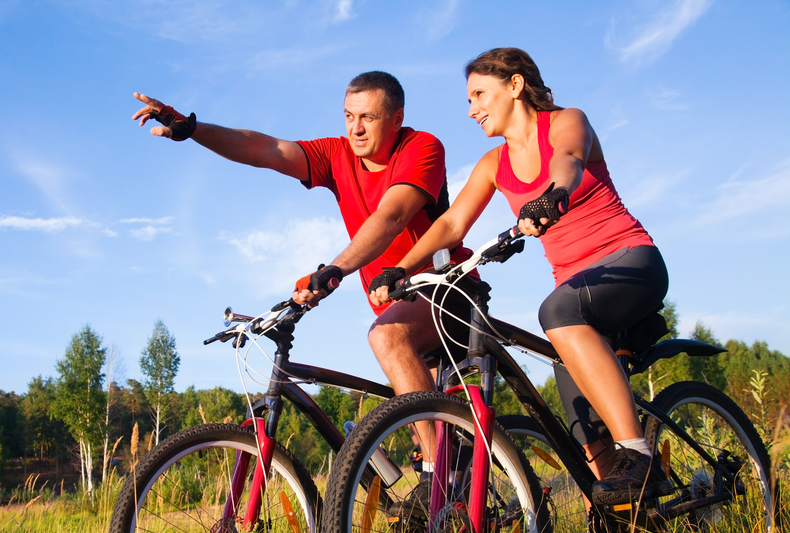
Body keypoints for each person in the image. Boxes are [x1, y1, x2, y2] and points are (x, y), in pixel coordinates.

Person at [368, 48, 671, 506]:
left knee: (555, 310)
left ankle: (640, 457)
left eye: (478, 94)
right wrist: (403, 267)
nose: (471, 109)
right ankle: (625, 530)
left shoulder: (567, 121)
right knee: (582, 436)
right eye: (468, 100)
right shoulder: (495, 163)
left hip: (629, 261)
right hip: (577, 293)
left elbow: (567, 158)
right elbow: (451, 225)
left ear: (514, 85)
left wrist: (554, 195)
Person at [132, 72, 477, 446]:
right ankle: (443, 471)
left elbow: (391, 216)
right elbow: (264, 150)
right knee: (420, 417)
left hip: (446, 292)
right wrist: (193, 129)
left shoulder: (421, 147)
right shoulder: (336, 155)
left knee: (388, 341)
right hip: (394, 305)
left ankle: (435, 475)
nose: (355, 129)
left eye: (368, 118)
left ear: (397, 119)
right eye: (348, 116)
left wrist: (335, 269)